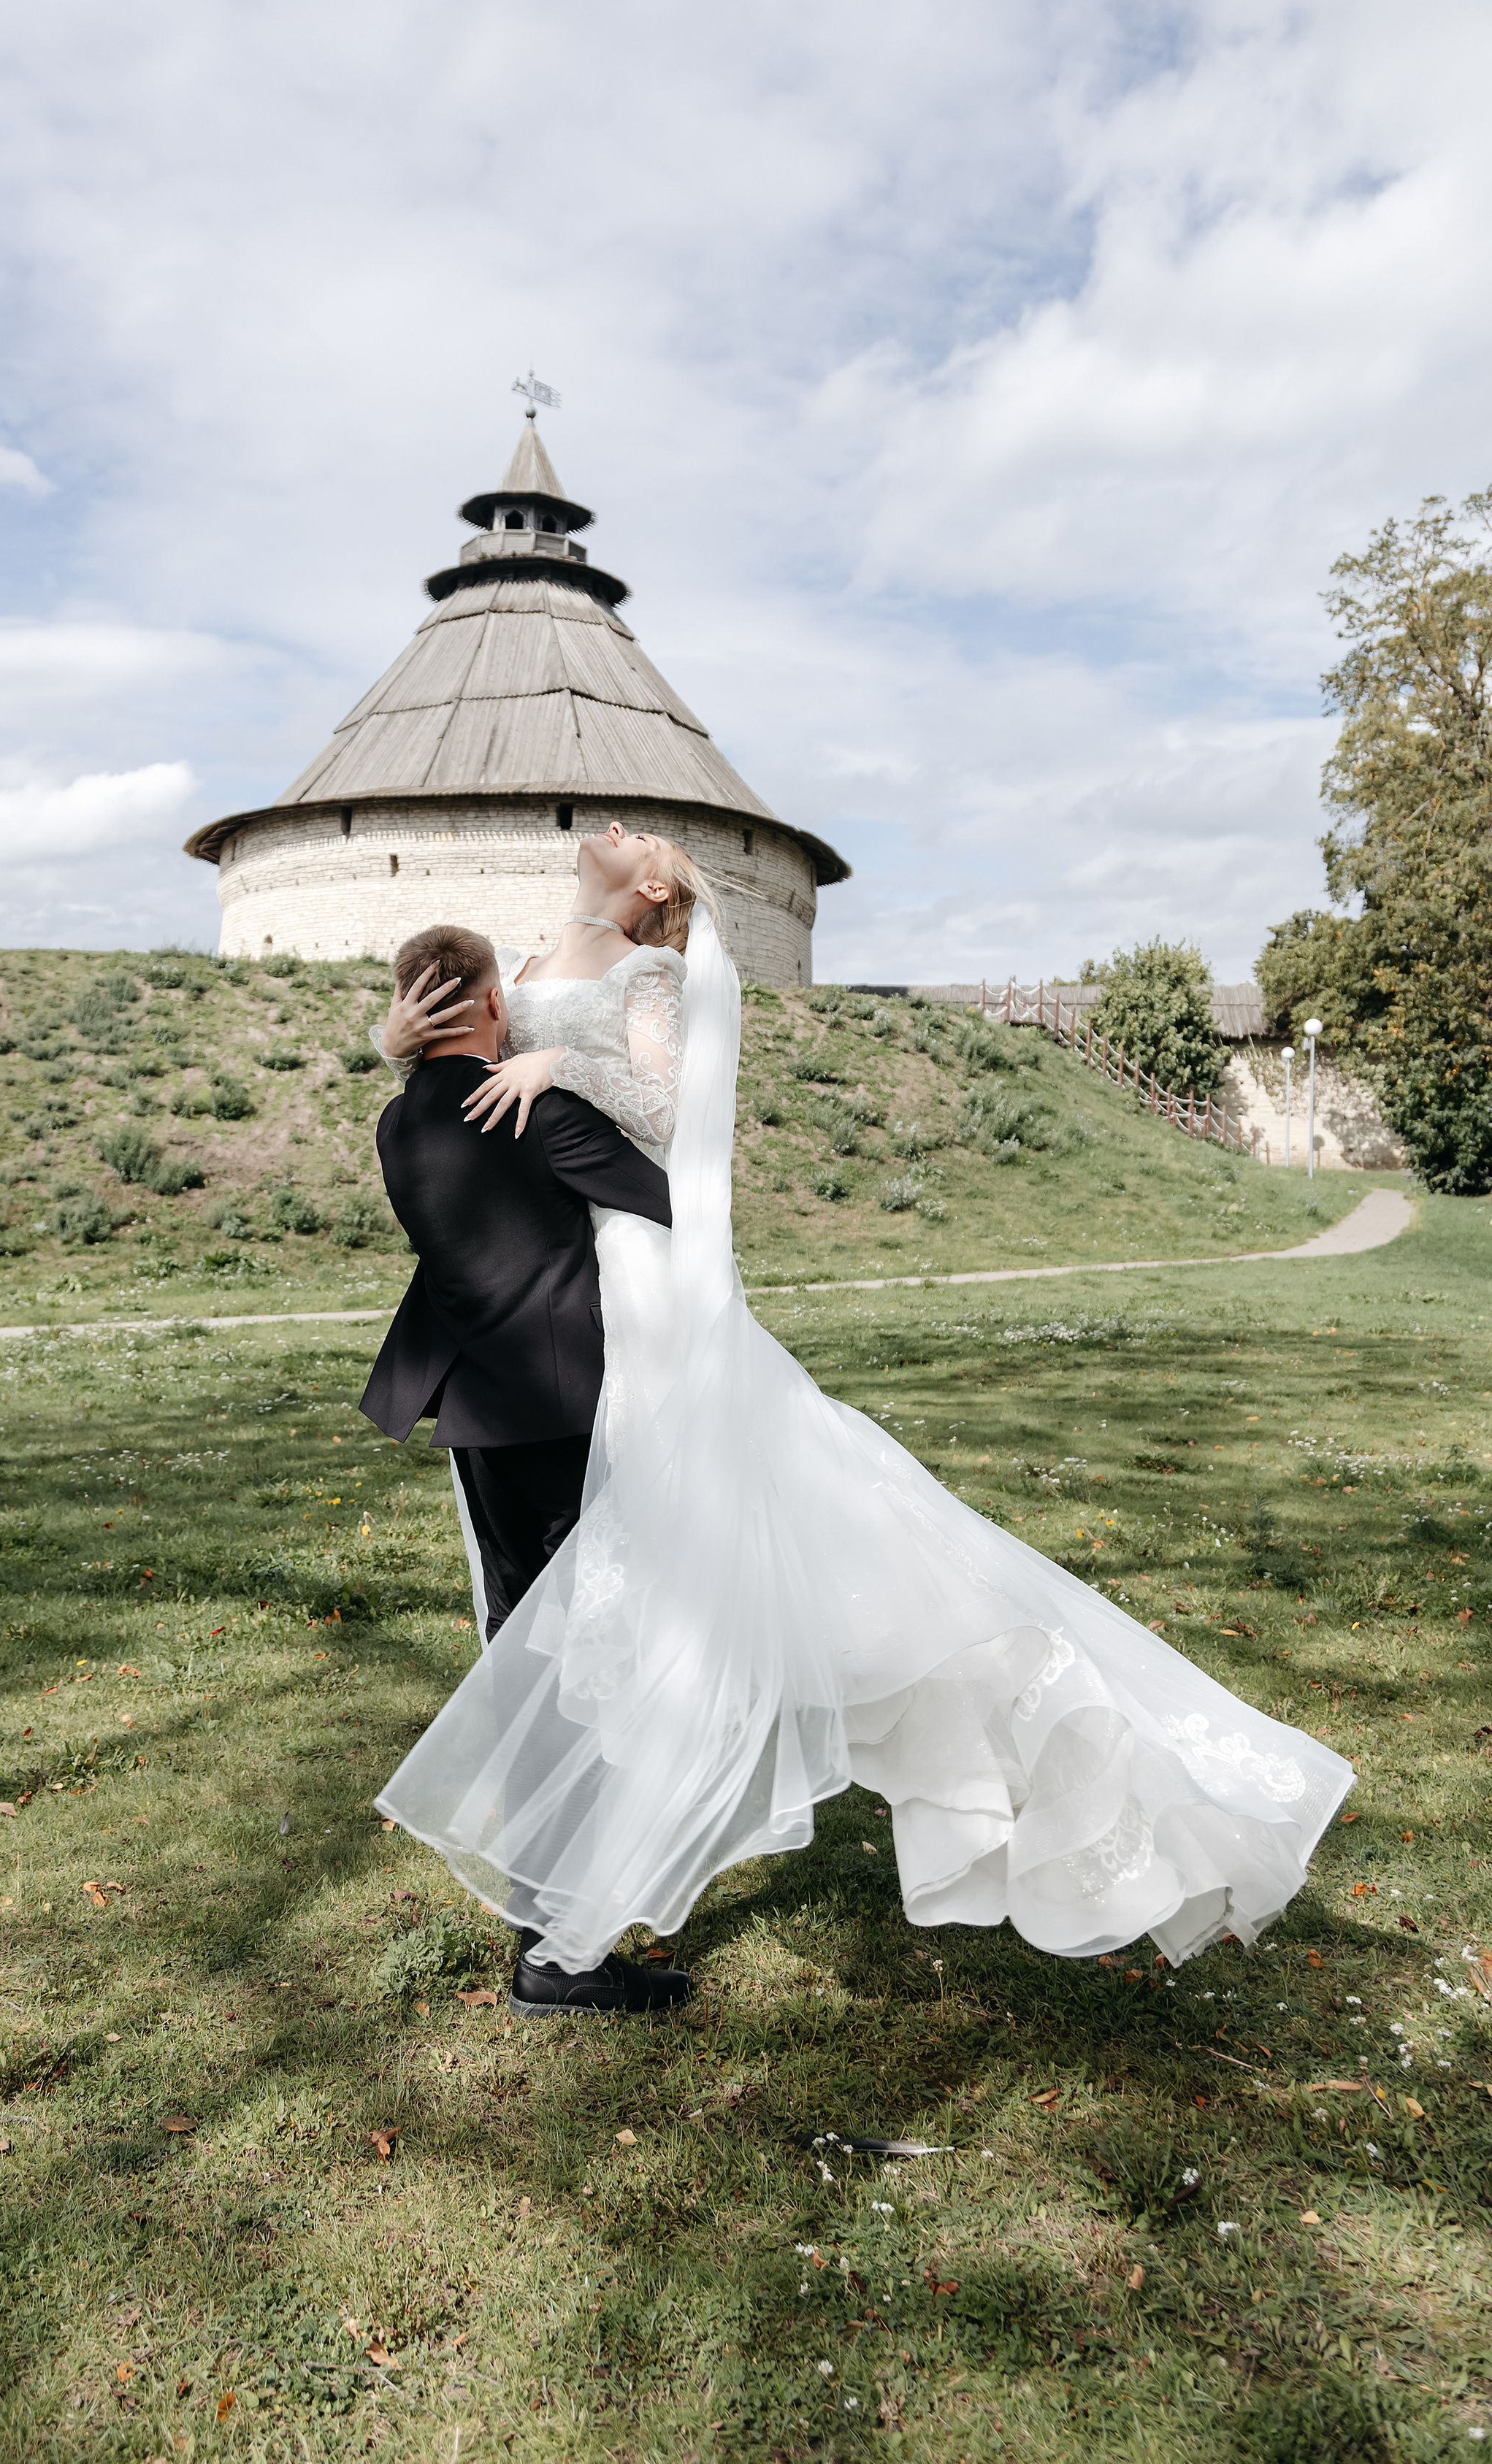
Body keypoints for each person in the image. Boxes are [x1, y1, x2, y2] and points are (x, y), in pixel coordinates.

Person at [370, 827, 1355, 1989]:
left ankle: (565, 1911)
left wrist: (547, 1070)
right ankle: (566, 1918)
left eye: (642, 840)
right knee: (580, 1633)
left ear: (654, 890)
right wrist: (456, 1051)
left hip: (565, 1335)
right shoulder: (528, 980)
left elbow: (658, 1119)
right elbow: (489, 1063)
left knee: (577, 1626)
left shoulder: (622, 992)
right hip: (557, 1332)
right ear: (491, 1001)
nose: (619, 829)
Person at [359, 918, 694, 2021]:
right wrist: (578, 1072)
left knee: (527, 1657)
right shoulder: (538, 1112)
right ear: (496, 1004)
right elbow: (673, 1200)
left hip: (477, 1422)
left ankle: (551, 1929)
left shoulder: (398, 1124)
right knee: (576, 1670)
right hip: (563, 1420)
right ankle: (560, 1952)